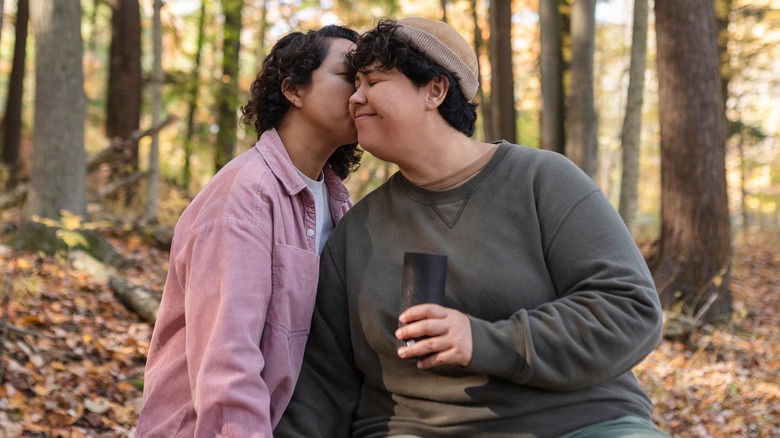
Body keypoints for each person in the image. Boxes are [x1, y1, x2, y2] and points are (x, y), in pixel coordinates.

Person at [275, 17, 668, 438]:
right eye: (354, 84)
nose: (355, 98)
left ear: (435, 89)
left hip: (580, 421)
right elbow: (323, 384)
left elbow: (629, 308)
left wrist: (486, 341)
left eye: (373, 81)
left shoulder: (542, 180)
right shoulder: (355, 233)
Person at [135, 24, 362, 437]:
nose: (363, 93)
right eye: (349, 77)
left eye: (367, 81)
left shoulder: (337, 201)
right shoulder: (247, 195)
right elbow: (228, 366)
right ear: (294, 89)